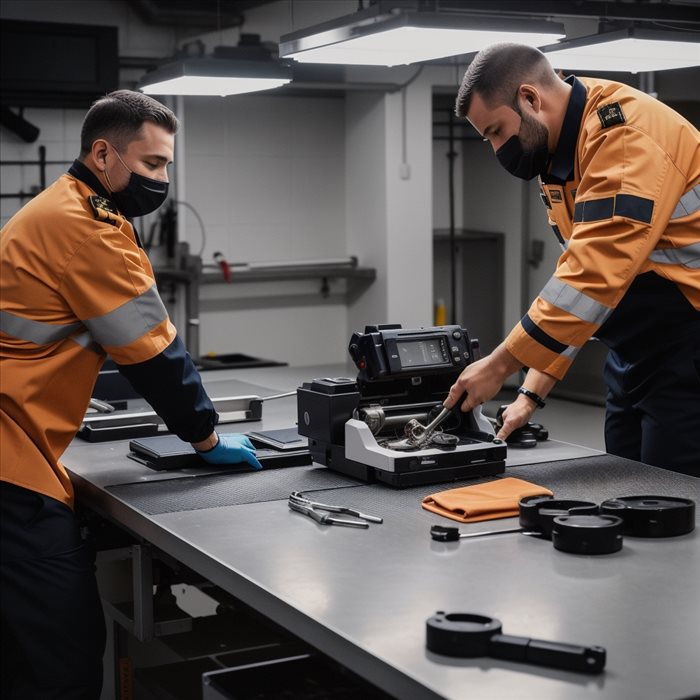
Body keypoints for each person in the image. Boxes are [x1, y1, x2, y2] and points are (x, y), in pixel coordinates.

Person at [0, 90, 261, 699]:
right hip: (11, 466)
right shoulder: (87, 231)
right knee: (57, 659)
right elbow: (154, 356)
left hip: (16, 442)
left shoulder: (56, 208)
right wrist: (206, 437)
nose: (161, 179)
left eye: (167, 165)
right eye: (150, 165)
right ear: (102, 153)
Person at [445, 43, 699, 476]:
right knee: (625, 479)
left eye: (495, 132)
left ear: (529, 99)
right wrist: (532, 392)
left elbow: (595, 274)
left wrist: (501, 364)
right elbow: (578, 291)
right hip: (633, 351)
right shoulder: (562, 157)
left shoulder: (623, 137)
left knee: (674, 498)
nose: (496, 149)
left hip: (688, 347)